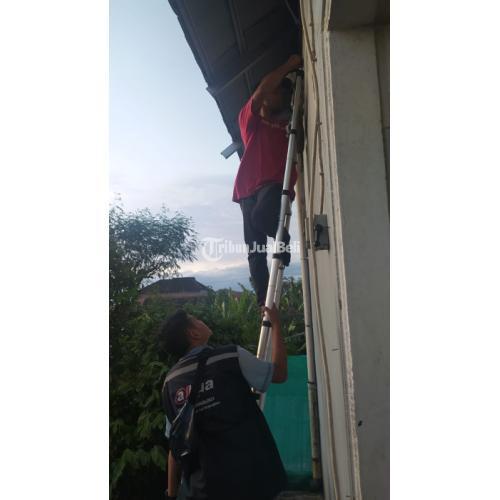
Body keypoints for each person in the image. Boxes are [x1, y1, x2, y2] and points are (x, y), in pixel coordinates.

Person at [160, 305, 287, 500]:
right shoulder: (231, 356)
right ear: (193, 333)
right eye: (195, 319)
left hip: (205, 488)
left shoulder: (170, 384)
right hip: (252, 478)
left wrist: (171, 494)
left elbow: (175, 445)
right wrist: (277, 324)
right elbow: (279, 374)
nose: (201, 320)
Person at [233, 54, 302, 308]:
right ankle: (264, 302)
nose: (282, 96)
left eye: (285, 93)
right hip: (246, 189)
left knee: (262, 216)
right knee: (256, 251)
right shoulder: (251, 120)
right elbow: (262, 90)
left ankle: (282, 241)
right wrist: (289, 65)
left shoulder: (287, 125)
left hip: (273, 185)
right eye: (278, 92)